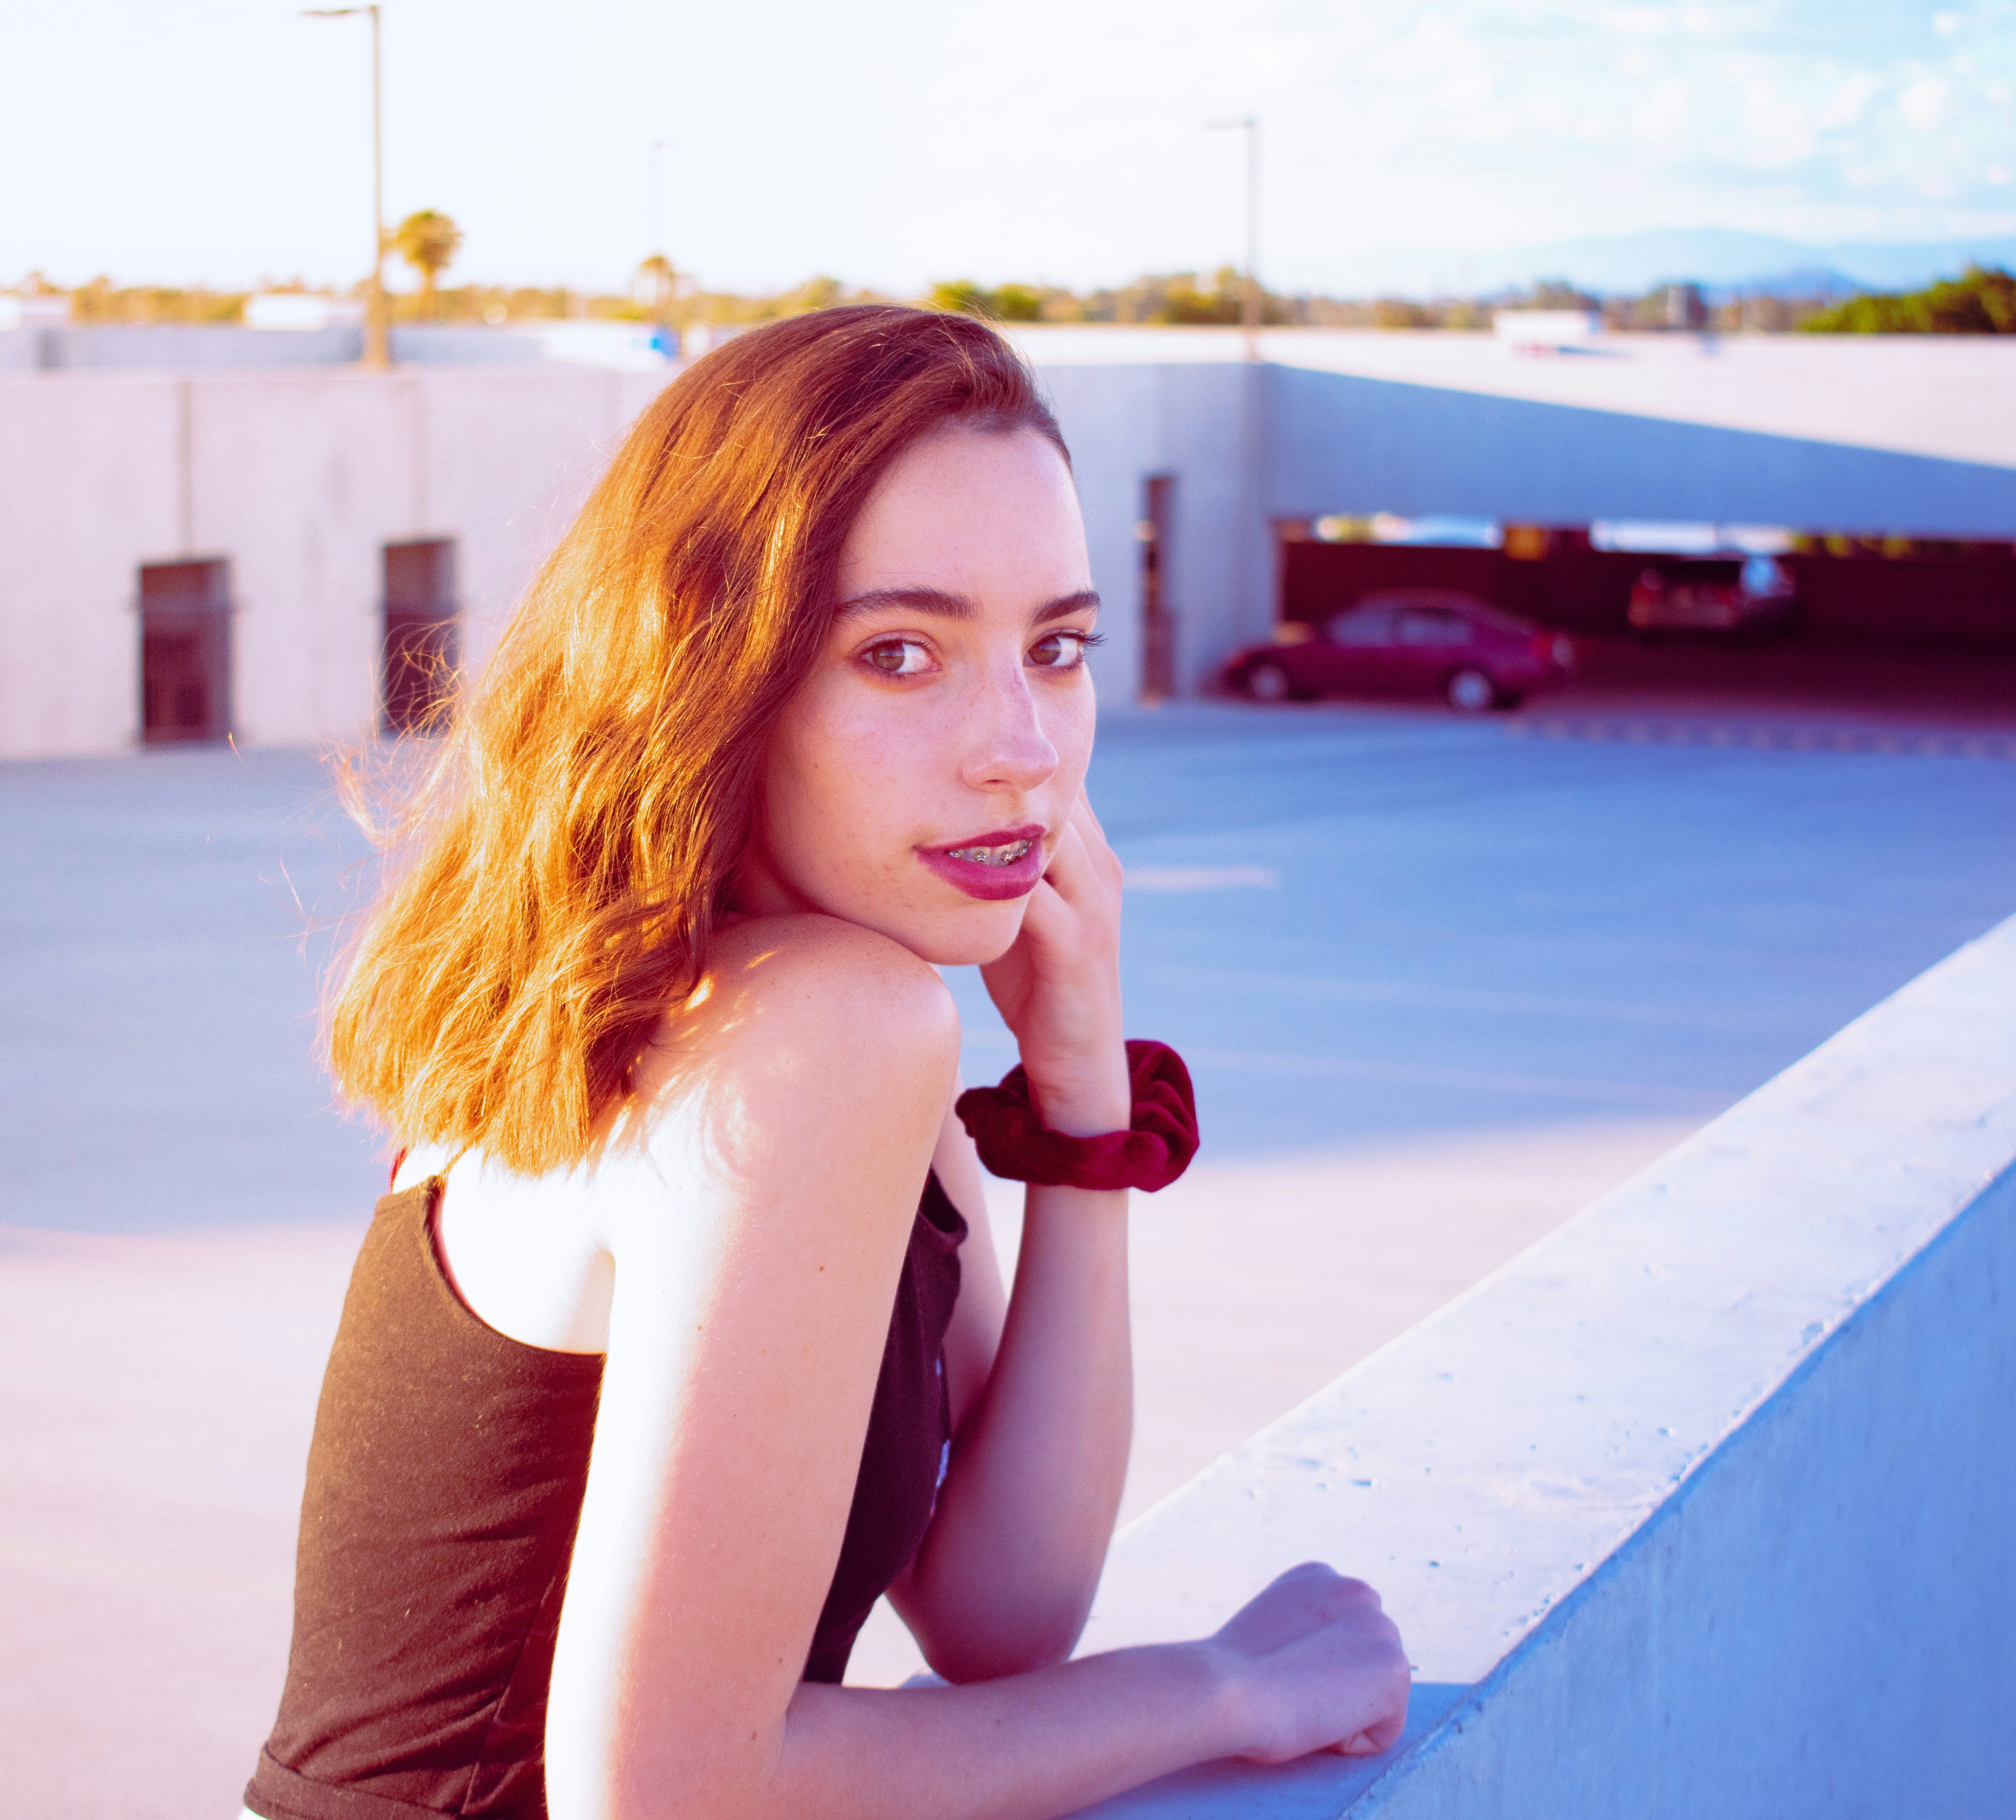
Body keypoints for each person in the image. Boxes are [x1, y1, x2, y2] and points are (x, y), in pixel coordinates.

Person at [244, 304, 1410, 1820]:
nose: (1022, 747)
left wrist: (1078, 1109)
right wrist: (1222, 1692)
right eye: (902, 652)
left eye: (1057, 648)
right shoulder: (817, 1026)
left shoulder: (769, 990)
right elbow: (671, 1800)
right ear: (710, 677)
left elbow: (1000, 1611)